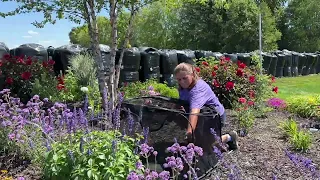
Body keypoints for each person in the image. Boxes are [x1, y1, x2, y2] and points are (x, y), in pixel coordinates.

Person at [174, 62, 238, 151]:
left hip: (215, 117)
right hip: (202, 116)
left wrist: (189, 133)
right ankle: (203, 138)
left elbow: (194, 112)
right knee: (197, 143)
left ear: (192, 74)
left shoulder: (198, 89)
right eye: (179, 79)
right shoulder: (183, 87)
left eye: (185, 78)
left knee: (205, 147)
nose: (182, 82)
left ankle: (229, 137)